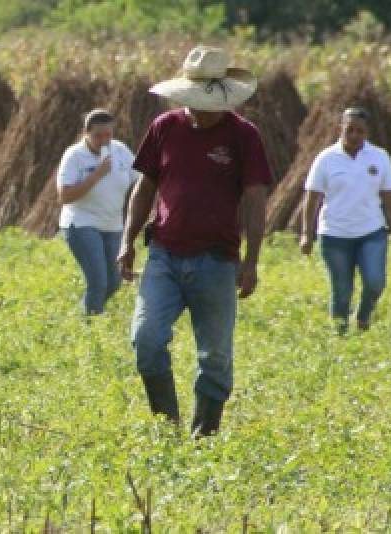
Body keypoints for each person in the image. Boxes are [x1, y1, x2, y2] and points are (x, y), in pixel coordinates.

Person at [117, 46, 272, 437]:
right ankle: (167, 425)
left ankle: (204, 435)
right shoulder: (165, 127)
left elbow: (255, 199)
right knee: (146, 339)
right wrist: (127, 240)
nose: (200, 110)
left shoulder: (243, 136)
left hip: (217, 260)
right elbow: (145, 187)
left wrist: (251, 260)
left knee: (215, 355)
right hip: (165, 255)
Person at [298, 107, 391, 335]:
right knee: (342, 291)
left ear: (367, 133)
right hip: (334, 236)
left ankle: (363, 316)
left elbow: (390, 196)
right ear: (340, 129)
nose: (355, 135)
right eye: (350, 130)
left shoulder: (379, 157)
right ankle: (340, 338)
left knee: (375, 283)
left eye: (360, 131)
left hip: (371, 232)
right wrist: (307, 234)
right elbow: (312, 197)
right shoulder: (326, 159)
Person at [56, 109, 138, 315]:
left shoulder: (119, 150)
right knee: (98, 281)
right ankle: (90, 326)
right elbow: (65, 196)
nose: (104, 140)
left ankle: (85, 311)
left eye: (108, 135)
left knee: (114, 281)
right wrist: (97, 175)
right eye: (98, 136)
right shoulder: (74, 156)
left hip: (113, 224)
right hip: (82, 223)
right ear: (86, 132)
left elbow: (140, 179)